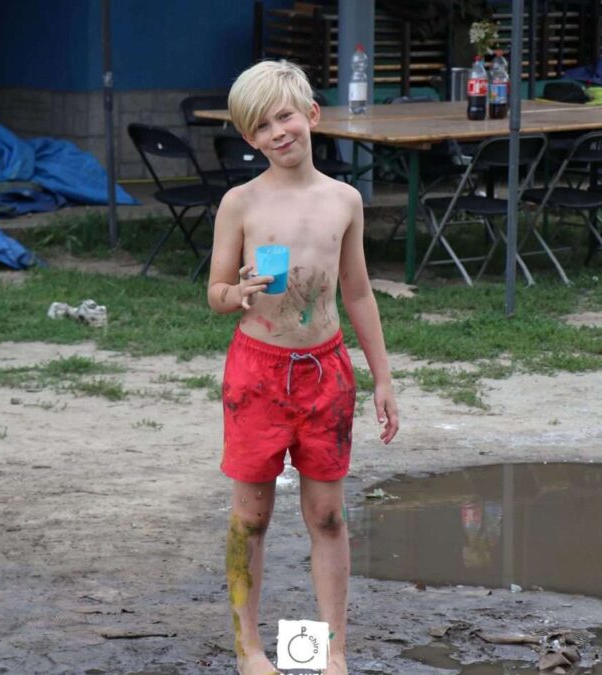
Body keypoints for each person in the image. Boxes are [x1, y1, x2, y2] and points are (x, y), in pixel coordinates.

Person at [206, 59, 399, 675]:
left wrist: (383, 378)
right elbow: (215, 293)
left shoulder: (345, 200)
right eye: (262, 127)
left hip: (326, 373)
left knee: (327, 516)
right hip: (257, 375)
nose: (277, 133)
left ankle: (331, 651)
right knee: (251, 518)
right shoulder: (240, 204)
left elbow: (358, 291)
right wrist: (236, 293)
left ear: (311, 114)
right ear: (249, 138)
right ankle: (250, 650)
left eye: (284, 117)